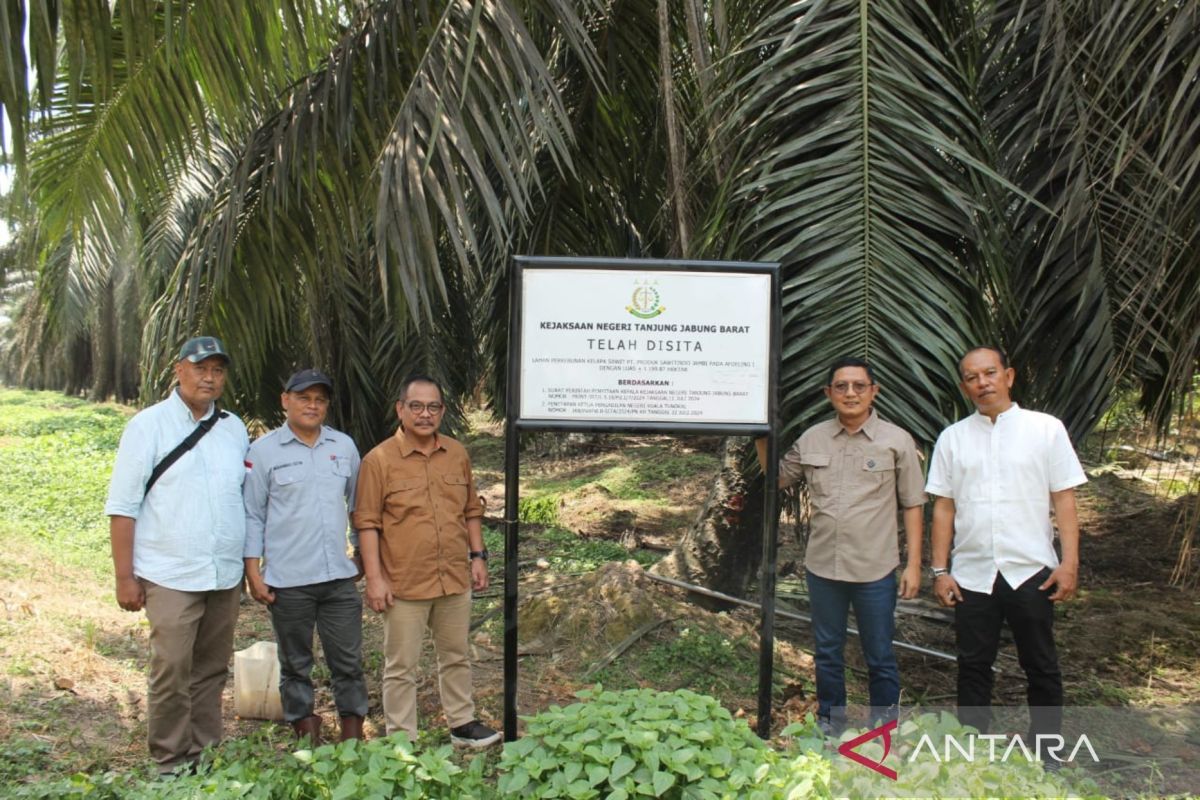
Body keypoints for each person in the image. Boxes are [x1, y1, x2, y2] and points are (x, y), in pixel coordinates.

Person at [104, 336, 249, 773]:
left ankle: (205, 753)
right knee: (170, 670)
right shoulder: (148, 426)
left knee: (209, 670)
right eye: (200, 367)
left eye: (218, 370)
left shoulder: (234, 428)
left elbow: (241, 497)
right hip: (169, 573)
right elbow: (123, 506)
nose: (209, 377)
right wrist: (124, 577)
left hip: (222, 575)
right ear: (178, 370)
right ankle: (170, 759)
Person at [758, 357, 925, 732]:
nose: (850, 393)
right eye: (841, 386)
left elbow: (913, 503)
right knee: (827, 654)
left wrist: (914, 565)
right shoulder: (813, 438)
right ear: (828, 393)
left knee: (879, 655)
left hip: (875, 570)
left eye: (859, 386)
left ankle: (886, 730)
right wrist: (758, 430)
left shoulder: (896, 440)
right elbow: (778, 478)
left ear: (873, 391)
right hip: (823, 568)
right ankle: (831, 727)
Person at [926, 346, 1085, 740]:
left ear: (1008, 376)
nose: (983, 383)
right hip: (972, 575)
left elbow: (1064, 499)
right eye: (972, 377)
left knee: (1041, 664)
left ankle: (1047, 748)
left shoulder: (1045, 429)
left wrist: (1069, 564)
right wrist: (940, 571)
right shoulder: (953, 438)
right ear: (964, 386)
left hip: (1031, 570)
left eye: (990, 373)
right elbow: (943, 508)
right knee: (973, 665)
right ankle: (973, 748)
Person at [352, 375, 500, 748]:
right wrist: (374, 578)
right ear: (400, 409)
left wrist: (478, 555)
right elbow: (367, 523)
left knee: (456, 655)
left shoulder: (456, 453)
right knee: (401, 667)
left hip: (453, 576)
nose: (424, 414)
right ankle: (402, 740)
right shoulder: (379, 460)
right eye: (416, 406)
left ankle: (462, 724)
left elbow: (470, 510)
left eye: (433, 407)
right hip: (404, 582)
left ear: (443, 411)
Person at [243, 369, 368, 744]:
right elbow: (253, 513)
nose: (312, 405)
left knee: (347, 662)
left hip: (338, 579)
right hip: (288, 580)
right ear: (285, 400)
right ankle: (305, 728)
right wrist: (253, 571)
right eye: (303, 398)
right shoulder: (263, 452)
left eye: (320, 399)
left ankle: (352, 731)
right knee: (296, 664)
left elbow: (357, 506)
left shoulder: (343, 446)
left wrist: (361, 550)